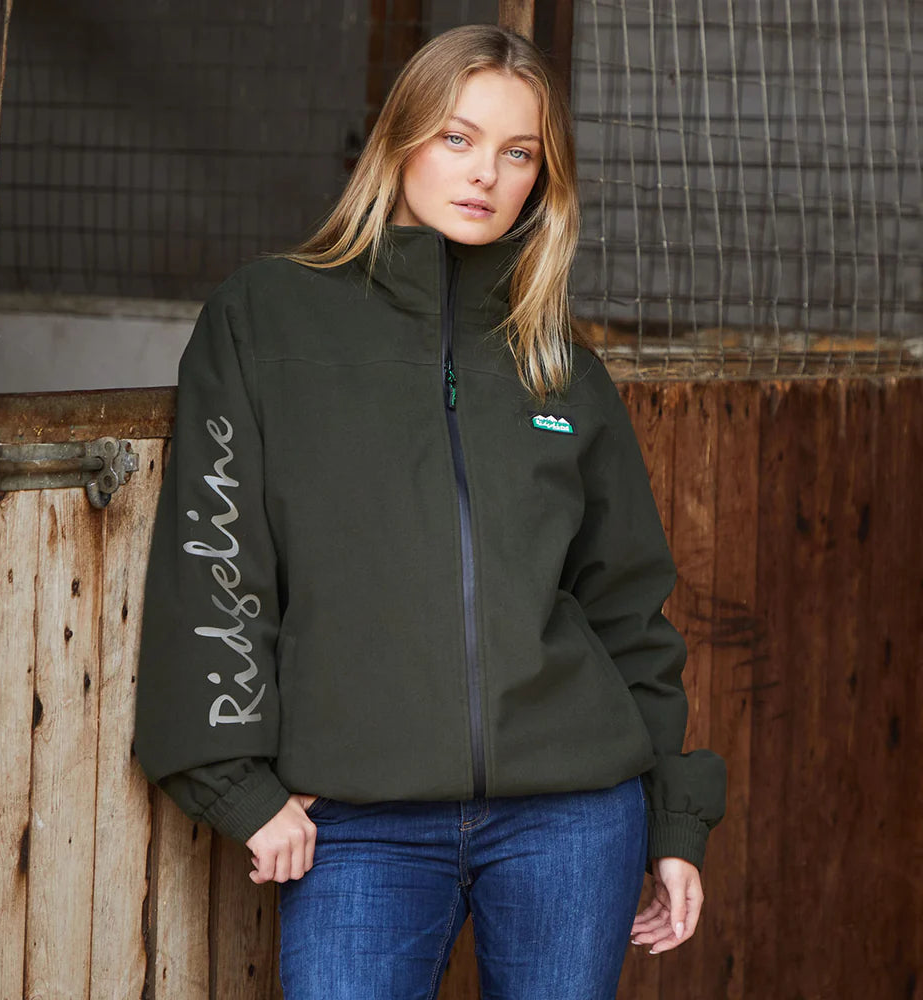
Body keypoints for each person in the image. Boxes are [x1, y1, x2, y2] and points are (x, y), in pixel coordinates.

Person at [134, 23, 726, 1000]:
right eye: (458, 137)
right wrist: (236, 782)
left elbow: (626, 609)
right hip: (357, 818)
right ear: (400, 139)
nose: (485, 173)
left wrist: (671, 820)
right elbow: (217, 561)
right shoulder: (267, 318)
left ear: (541, 178)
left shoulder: (557, 360)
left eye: (518, 152)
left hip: (572, 815)